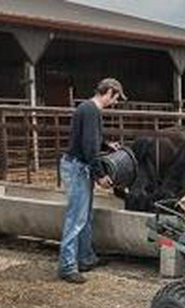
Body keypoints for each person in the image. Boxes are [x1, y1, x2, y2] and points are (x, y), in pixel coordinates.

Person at [58, 78, 127, 283]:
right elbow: (88, 146)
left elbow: (89, 140)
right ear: (109, 91)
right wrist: (100, 175)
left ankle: (85, 258)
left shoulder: (87, 109)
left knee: (84, 216)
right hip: (79, 167)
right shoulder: (91, 111)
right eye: (115, 98)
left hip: (79, 165)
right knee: (76, 218)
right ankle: (67, 266)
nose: (114, 103)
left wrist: (106, 145)